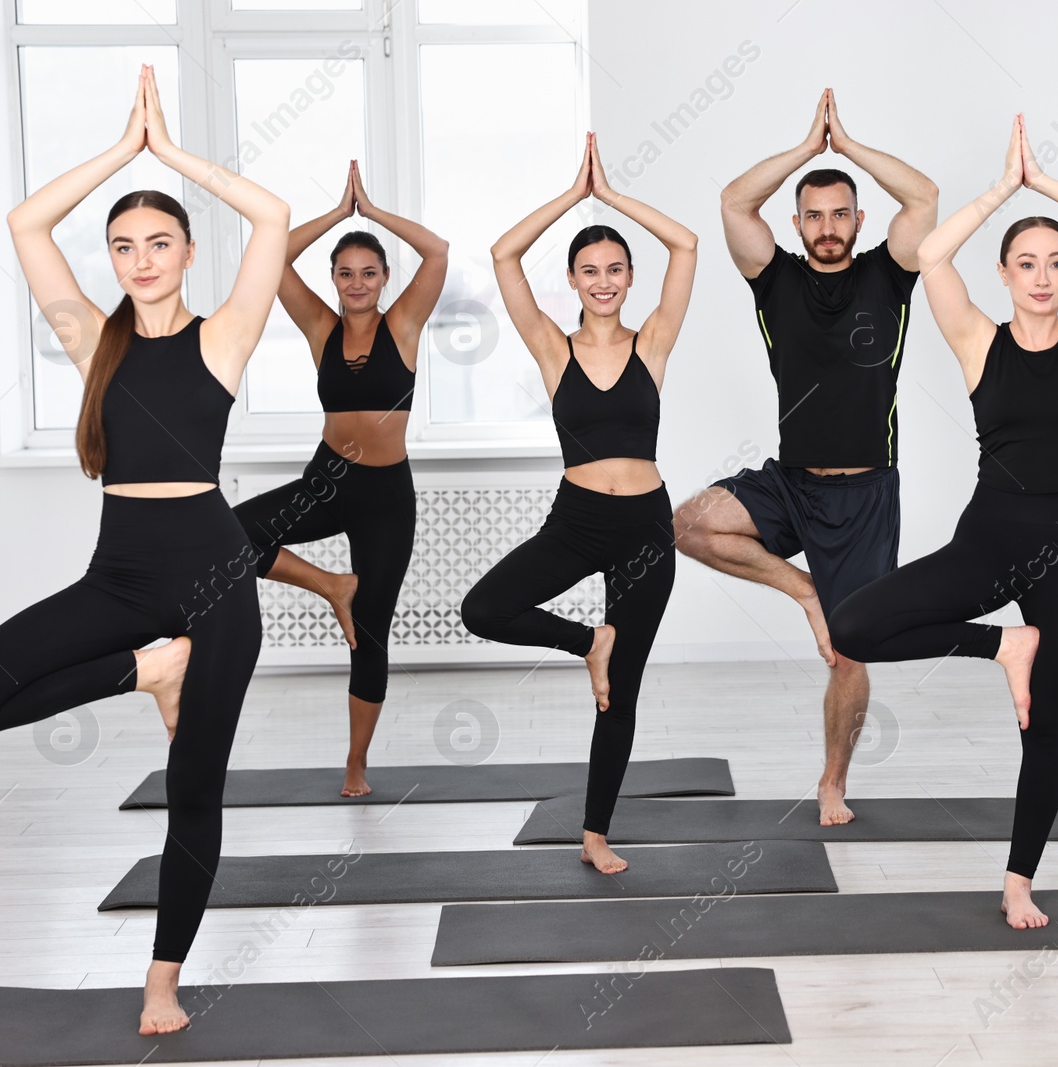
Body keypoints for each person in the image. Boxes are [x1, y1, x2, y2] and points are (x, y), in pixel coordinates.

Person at [0, 67, 289, 1033]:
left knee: (193, 788)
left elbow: (274, 217)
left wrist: (167, 154)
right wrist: (116, 156)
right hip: (122, 576)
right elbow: (23, 224)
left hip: (216, 575)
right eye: (123, 245)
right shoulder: (95, 339)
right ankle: (145, 670)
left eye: (158, 243)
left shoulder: (224, 337)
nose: (139, 259)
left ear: (185, 252)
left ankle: (161, 980)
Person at [829, 114, 1058, 929]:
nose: (1042, 277)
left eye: (1056, 263)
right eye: (1027, 263)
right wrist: (1004, 189)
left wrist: (1046, 185)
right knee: (856, 625)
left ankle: (1018, 878)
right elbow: (932, 254)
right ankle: (1004, 644)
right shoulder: (978, 340)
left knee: (1048, 721)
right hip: (991, 539)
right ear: (1004, 273)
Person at [672, 89, 937, 826]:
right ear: (796, 224)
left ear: (859, 220)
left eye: (840, 213)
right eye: (813, 215)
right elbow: (732, 203)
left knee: (851, 656)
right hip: (792, 484)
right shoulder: (776, 280)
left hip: (865, 497)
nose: (827, 227)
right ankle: (806, 592)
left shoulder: (891, 274)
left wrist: (846, 147)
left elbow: (926, 196)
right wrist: (804, 148)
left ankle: (831, 781)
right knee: (687, 523)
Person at [460, 133, 695, 874]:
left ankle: (596, 833)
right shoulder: (551, 347)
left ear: (629, 278)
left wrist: (612, 194)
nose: (602, 281)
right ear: (572, 277)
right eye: (589, 270)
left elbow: (685, 246)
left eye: (615, 269)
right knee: (484, 607)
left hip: (646, 531)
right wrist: (573, 196)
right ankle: (583, 641)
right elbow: (502, 254)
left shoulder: (652, 341)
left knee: (618, 696)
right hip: (578, 520)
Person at [232, 161, 448, 797]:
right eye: (345, 273)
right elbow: (270, 259)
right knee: (232, 531)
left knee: (371, 636)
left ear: (385, 279)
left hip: (386, 496)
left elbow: (436, 250)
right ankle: (332, 585)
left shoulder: (403, 324)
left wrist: (370, 211)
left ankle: (356, 765)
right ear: (333, 279)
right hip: (328, 481)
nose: (357, 283)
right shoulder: (320, 327)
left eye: (369, 273)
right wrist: (335, 215)